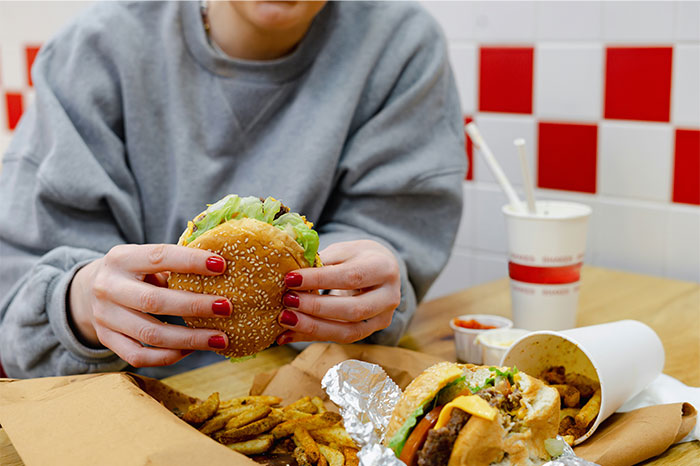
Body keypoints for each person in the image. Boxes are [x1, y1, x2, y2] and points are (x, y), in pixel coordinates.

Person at [0, 1, 466, 379]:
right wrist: (80, 302)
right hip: (113, 408)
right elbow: (16, 301)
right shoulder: (94, 50)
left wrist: (351, 287)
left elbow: (389, 230)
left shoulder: (400, 45)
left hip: (311, 389)